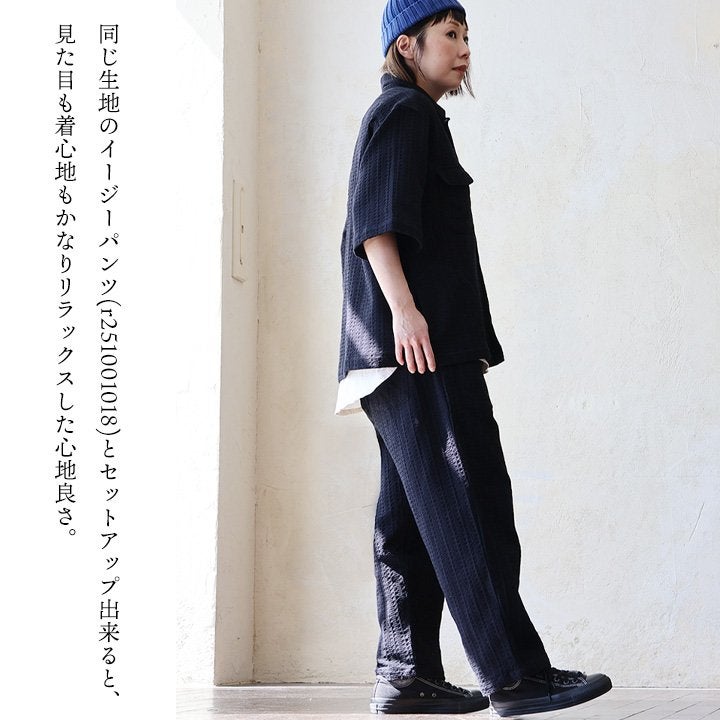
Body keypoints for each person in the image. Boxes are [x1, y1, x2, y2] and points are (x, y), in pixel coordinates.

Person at [337, 0, 612, 715]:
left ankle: (406, 674)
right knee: (473, 504)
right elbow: (376, 228)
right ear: (407, 46)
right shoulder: (406, 113)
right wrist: (407, 314)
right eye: (450, 34)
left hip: (399, 356)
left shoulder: (408, 115)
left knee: (409, 520)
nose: (464, 49)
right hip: (419, 352)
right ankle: (514, 676)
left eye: (467, 36)